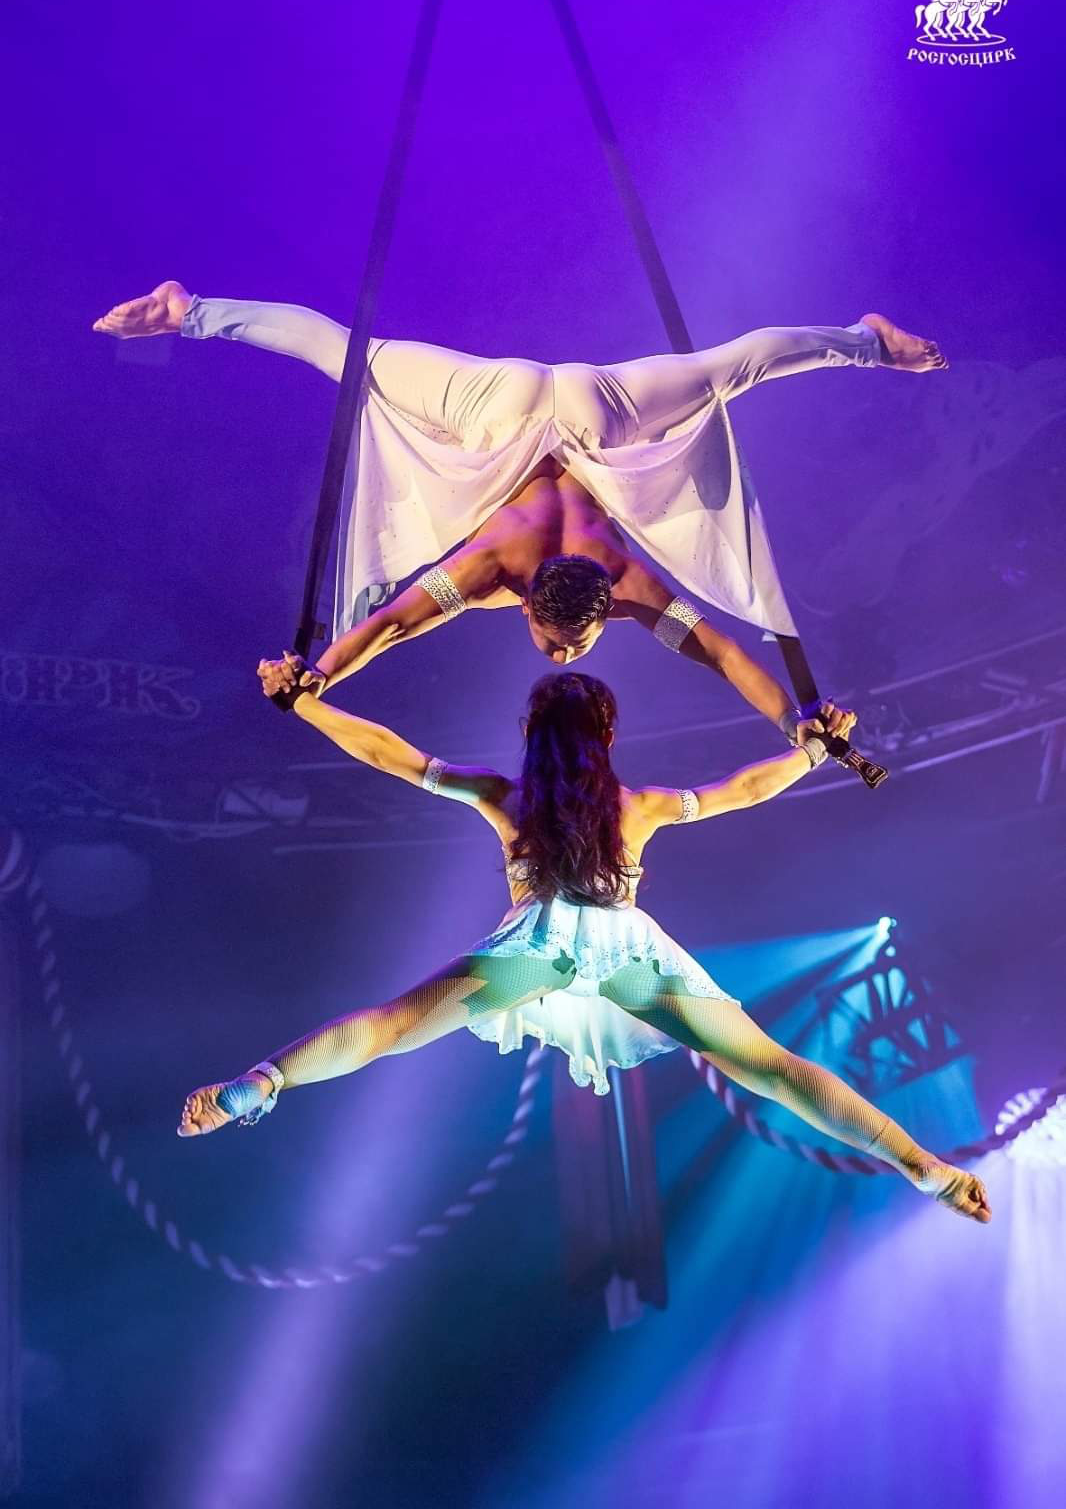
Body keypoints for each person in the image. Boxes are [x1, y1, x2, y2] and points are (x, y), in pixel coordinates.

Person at [177, 663, 990, 1224]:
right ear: (605, 735)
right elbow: (745, 790)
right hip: (631, 958)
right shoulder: (638, 805)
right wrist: (811, 750)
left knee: (390, 1028)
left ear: (531, 731)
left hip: (537, 951)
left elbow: (390, 755)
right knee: (774, 1069)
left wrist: (307, 704)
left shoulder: (505, 797)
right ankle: (925, 1166)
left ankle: (253, 1088)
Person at [93, 281, 944, 742]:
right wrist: (318, 676)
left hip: (584, 409)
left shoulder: (618, 580)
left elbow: (723, 652)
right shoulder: (514, 564)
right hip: (511, 411)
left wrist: (797, 720)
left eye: (559, 645)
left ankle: (189, 311)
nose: (564, 649)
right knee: (347, 359)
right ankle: (190, 312)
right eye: (567, 643)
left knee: (728, 368)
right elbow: (389, 623)